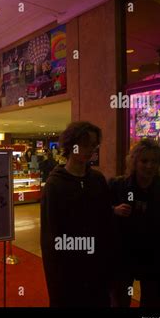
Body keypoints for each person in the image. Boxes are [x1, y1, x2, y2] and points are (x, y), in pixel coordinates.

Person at [40, 121, 116, 307]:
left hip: (96, 264)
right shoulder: (55, 184)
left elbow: (106, 221)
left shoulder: (97, 180)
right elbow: (52, 234)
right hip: (68, 267)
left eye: (93, 145)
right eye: (85, 144)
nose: (90, 150)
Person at [109, 138, 160, 307]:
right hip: (123, 258)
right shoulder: (118, 186)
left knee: (152, 304)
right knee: (120, 301)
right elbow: (98, 214)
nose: (149, 166)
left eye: (154, 161)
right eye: (144, 161)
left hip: (155, 260)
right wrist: (113, 210)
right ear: (134, 162)